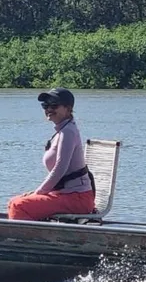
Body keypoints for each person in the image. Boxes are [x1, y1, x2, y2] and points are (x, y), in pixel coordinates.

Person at [7, 87, 96, 221]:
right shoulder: (63, 131)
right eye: (45, 105)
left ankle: (23, 239)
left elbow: (60, 169)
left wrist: (39, 192)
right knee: (13, 202)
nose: (49, 109)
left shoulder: (68, 132)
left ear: (68, 108)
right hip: (67, 194)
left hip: (78, 198)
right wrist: (37, 192)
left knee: (19, 206)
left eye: (54, 105)